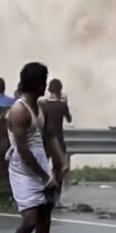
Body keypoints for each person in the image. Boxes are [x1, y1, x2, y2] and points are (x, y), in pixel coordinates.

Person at [6, 62, 66, 233]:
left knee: (45, 218)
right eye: (44, 81)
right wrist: (45, 177)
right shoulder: (19, 111)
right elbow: (23, 151)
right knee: (31, 220)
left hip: (41, 165)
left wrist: (61, 162)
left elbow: (49, 136)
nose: (46, 86)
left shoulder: (41, 108)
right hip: (23, 170)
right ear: (37, 84)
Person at [40, 78, 72, 207]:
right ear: (60, 90)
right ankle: (57, 199)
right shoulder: (62, 105)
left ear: (49, 90)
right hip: (58, 140)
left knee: (43, 168)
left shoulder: (42, 105)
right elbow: (69, 119)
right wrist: (65, 102)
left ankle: (42, 196)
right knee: (58, 170)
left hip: (44, 140)